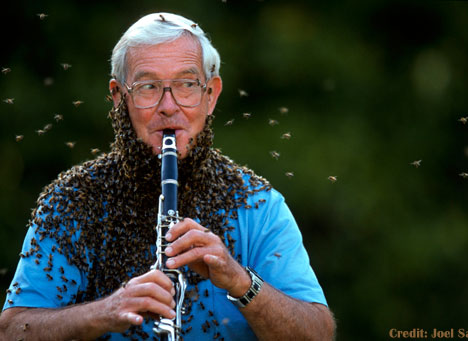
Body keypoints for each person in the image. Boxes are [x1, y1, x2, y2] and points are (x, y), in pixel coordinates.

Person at [0, 12, 335, 340]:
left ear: (211, 95)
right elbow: (12, 329)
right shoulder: (72, 201)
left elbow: (319, 334)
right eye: (148, 87)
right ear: (119, 97)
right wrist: (104, 312)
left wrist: (239, 281)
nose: (169, 106)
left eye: (186, 84)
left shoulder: (259, 205)